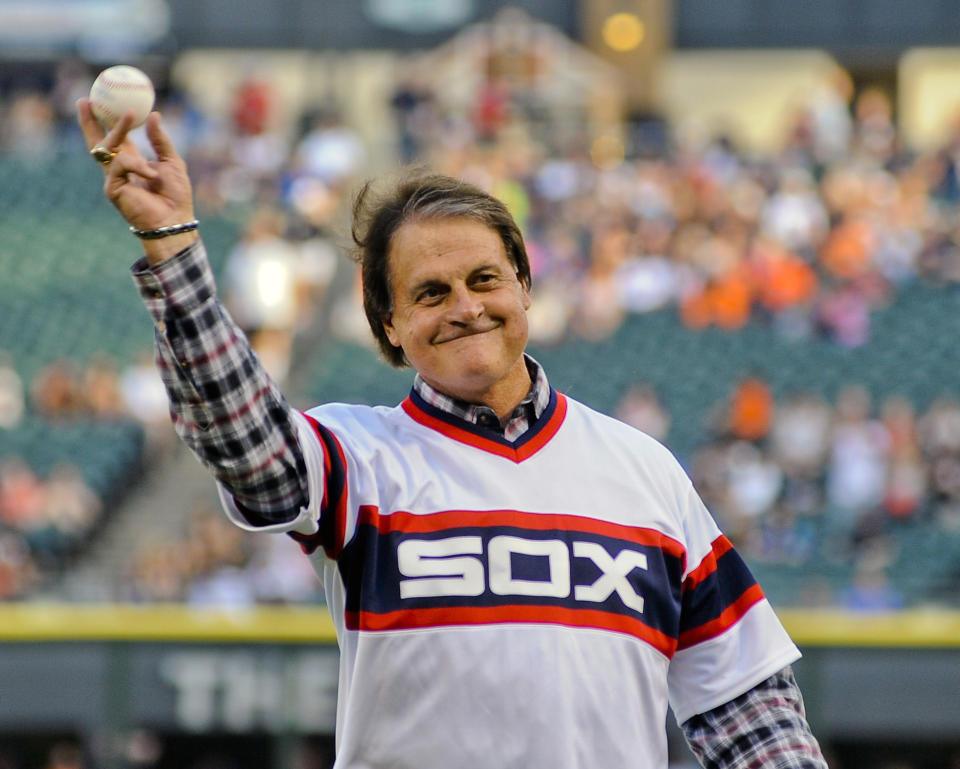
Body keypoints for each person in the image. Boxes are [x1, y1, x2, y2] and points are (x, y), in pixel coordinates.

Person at [77, 101, 827, 769]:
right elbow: (244, 442)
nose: (465, 306)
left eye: (485, 279)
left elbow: (747, 703)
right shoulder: (359, 456)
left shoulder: (644, 471)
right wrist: (173, 250)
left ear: (524, 287)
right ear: (391, 326)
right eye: (430, 293)